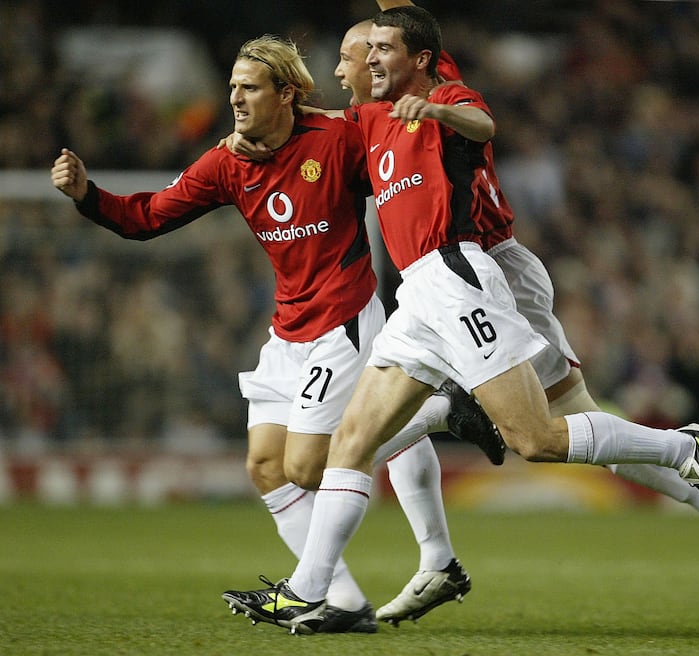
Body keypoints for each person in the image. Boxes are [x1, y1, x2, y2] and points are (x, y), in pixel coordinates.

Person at [223, 5, 699, 628]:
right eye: (356, 53)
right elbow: (309, 123)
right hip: (421, 296)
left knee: (539, 436)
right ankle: (316, 588)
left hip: (474, 269)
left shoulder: (439, 86)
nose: (359, 63)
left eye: (372, 49)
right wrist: (252, 132)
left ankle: (682, 448)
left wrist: (437, 110)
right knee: (351, 441)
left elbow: (481, 122)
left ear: (413, 54)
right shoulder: (368, 116)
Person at [50, 33, 502, 634]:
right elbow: (149, 217)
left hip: (345, 318)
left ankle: (438, 414)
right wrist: (87, 196)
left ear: (286, 94)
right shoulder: (226, 162)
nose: (235, 98)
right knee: (266, 467)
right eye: (232, 87)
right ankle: (341, 600)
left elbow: (404, 156)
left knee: (310, 465)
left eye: (250, 87)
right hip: (288, 330)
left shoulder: (337, 137)